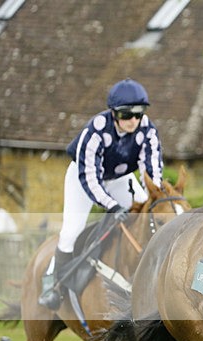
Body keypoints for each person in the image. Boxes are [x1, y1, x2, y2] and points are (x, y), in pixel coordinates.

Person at [38, 78, 164, 310]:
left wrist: (155, 198)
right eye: (127, 115)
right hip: (82, 177)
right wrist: (112, 205)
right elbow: (90, 177)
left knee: (145, 217)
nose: (133, 120)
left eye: (139, 114)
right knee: (72, 231)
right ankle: (52, 283)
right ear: (114, 113)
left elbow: (151, 170)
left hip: (120, 179)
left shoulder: (148, 129)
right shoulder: (96, 129)